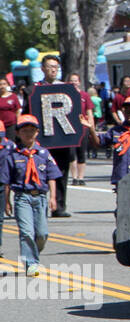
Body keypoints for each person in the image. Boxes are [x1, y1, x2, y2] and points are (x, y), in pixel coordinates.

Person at [4, 114, 62, 276]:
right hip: (22, 197)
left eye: (31, 131)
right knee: (26, 232)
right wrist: (7, 201)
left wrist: (53, 197)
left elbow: (51, 176)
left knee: (42, 233)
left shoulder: (43, 154)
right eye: (24, 131)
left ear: (37, 132)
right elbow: (7, 181)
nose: (28, 134)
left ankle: (34, 251)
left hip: (41, 197)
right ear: (18, 133)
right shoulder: (13, 156)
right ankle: (31, 263)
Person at [30, 55, 73, 218]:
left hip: (62, 138)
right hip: (43, 138)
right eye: (49, 66)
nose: (53, 69)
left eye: (56, 66)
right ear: (42, 69)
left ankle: (59, 206)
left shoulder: (66, 88)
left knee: (61, 172)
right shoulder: (34, 89)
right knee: (40, 173)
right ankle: (40, 205)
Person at [86, 95, 130, 191]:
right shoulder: (116, 131)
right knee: (123, 203)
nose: (129, 113)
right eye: (126, 110)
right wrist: (91, 129)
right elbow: (98, 143)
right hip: (121, 175)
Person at [65, 72, 95, 186]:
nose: (74, 83)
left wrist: (91, 126)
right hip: (69, 128)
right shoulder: (65, 95)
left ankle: (81, 177)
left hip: (83, 127)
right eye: (71, 81)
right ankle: (74, 177)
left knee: (81, 153)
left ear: (79, 82)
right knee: (71, 154)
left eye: (75, 80)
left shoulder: (84, 95)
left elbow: (89, 111)